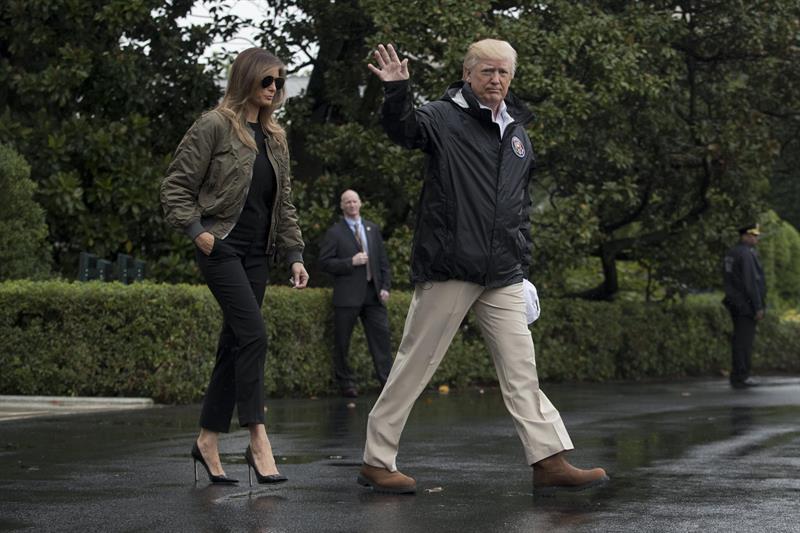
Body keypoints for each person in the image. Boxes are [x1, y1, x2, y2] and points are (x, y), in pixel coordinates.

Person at [357, 40, 608, 495]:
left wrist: (523, 265)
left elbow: (518, 209)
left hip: (504, 274)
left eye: (504, 73)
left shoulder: (518, 135)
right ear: (468, 74)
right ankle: (377, 460)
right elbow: (402, 129)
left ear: (512, 77)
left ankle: (549, 459)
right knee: (416, 364)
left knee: (521, 369)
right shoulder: (441, 116)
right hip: (451, 266)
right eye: (488, 71)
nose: (496, 80)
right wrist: (396, 91)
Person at [160, 47, 309, 485]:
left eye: (279, 82)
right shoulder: (214, 125)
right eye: (267, 80)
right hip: (220, 247)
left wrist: (296, 255)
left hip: (258, 256)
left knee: (234, 344)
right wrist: (197, 232)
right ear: (246, 79)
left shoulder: (276, 138)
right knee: (254, 335)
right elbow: (175, 186)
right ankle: (257, 438)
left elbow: (284, 206)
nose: (275, 89)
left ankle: (207, 440)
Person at [318, 189, 394, 398]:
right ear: (342, 206)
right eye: (347, 202)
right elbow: (324, 263)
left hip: (373, 294)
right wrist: (350, 262)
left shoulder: (372, 229)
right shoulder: (335, 232)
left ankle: (387, 382)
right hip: (347, 296)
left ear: (360, 203)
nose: (351, 205)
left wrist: (385, 287)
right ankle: (346, 384)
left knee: (382, 340)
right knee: (342, 342)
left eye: (354, 201)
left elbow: (383, 262)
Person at [723, 223, 766, 389]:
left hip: (735, 302)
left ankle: (738, 374)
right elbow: (751, 283)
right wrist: (758, 306)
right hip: (746, 304)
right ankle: (742, 375)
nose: (756, 238)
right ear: (745, 236)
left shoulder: (732, 252)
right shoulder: (746, 254)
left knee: (739, 340)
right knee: (744, 341)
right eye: (753, 235)